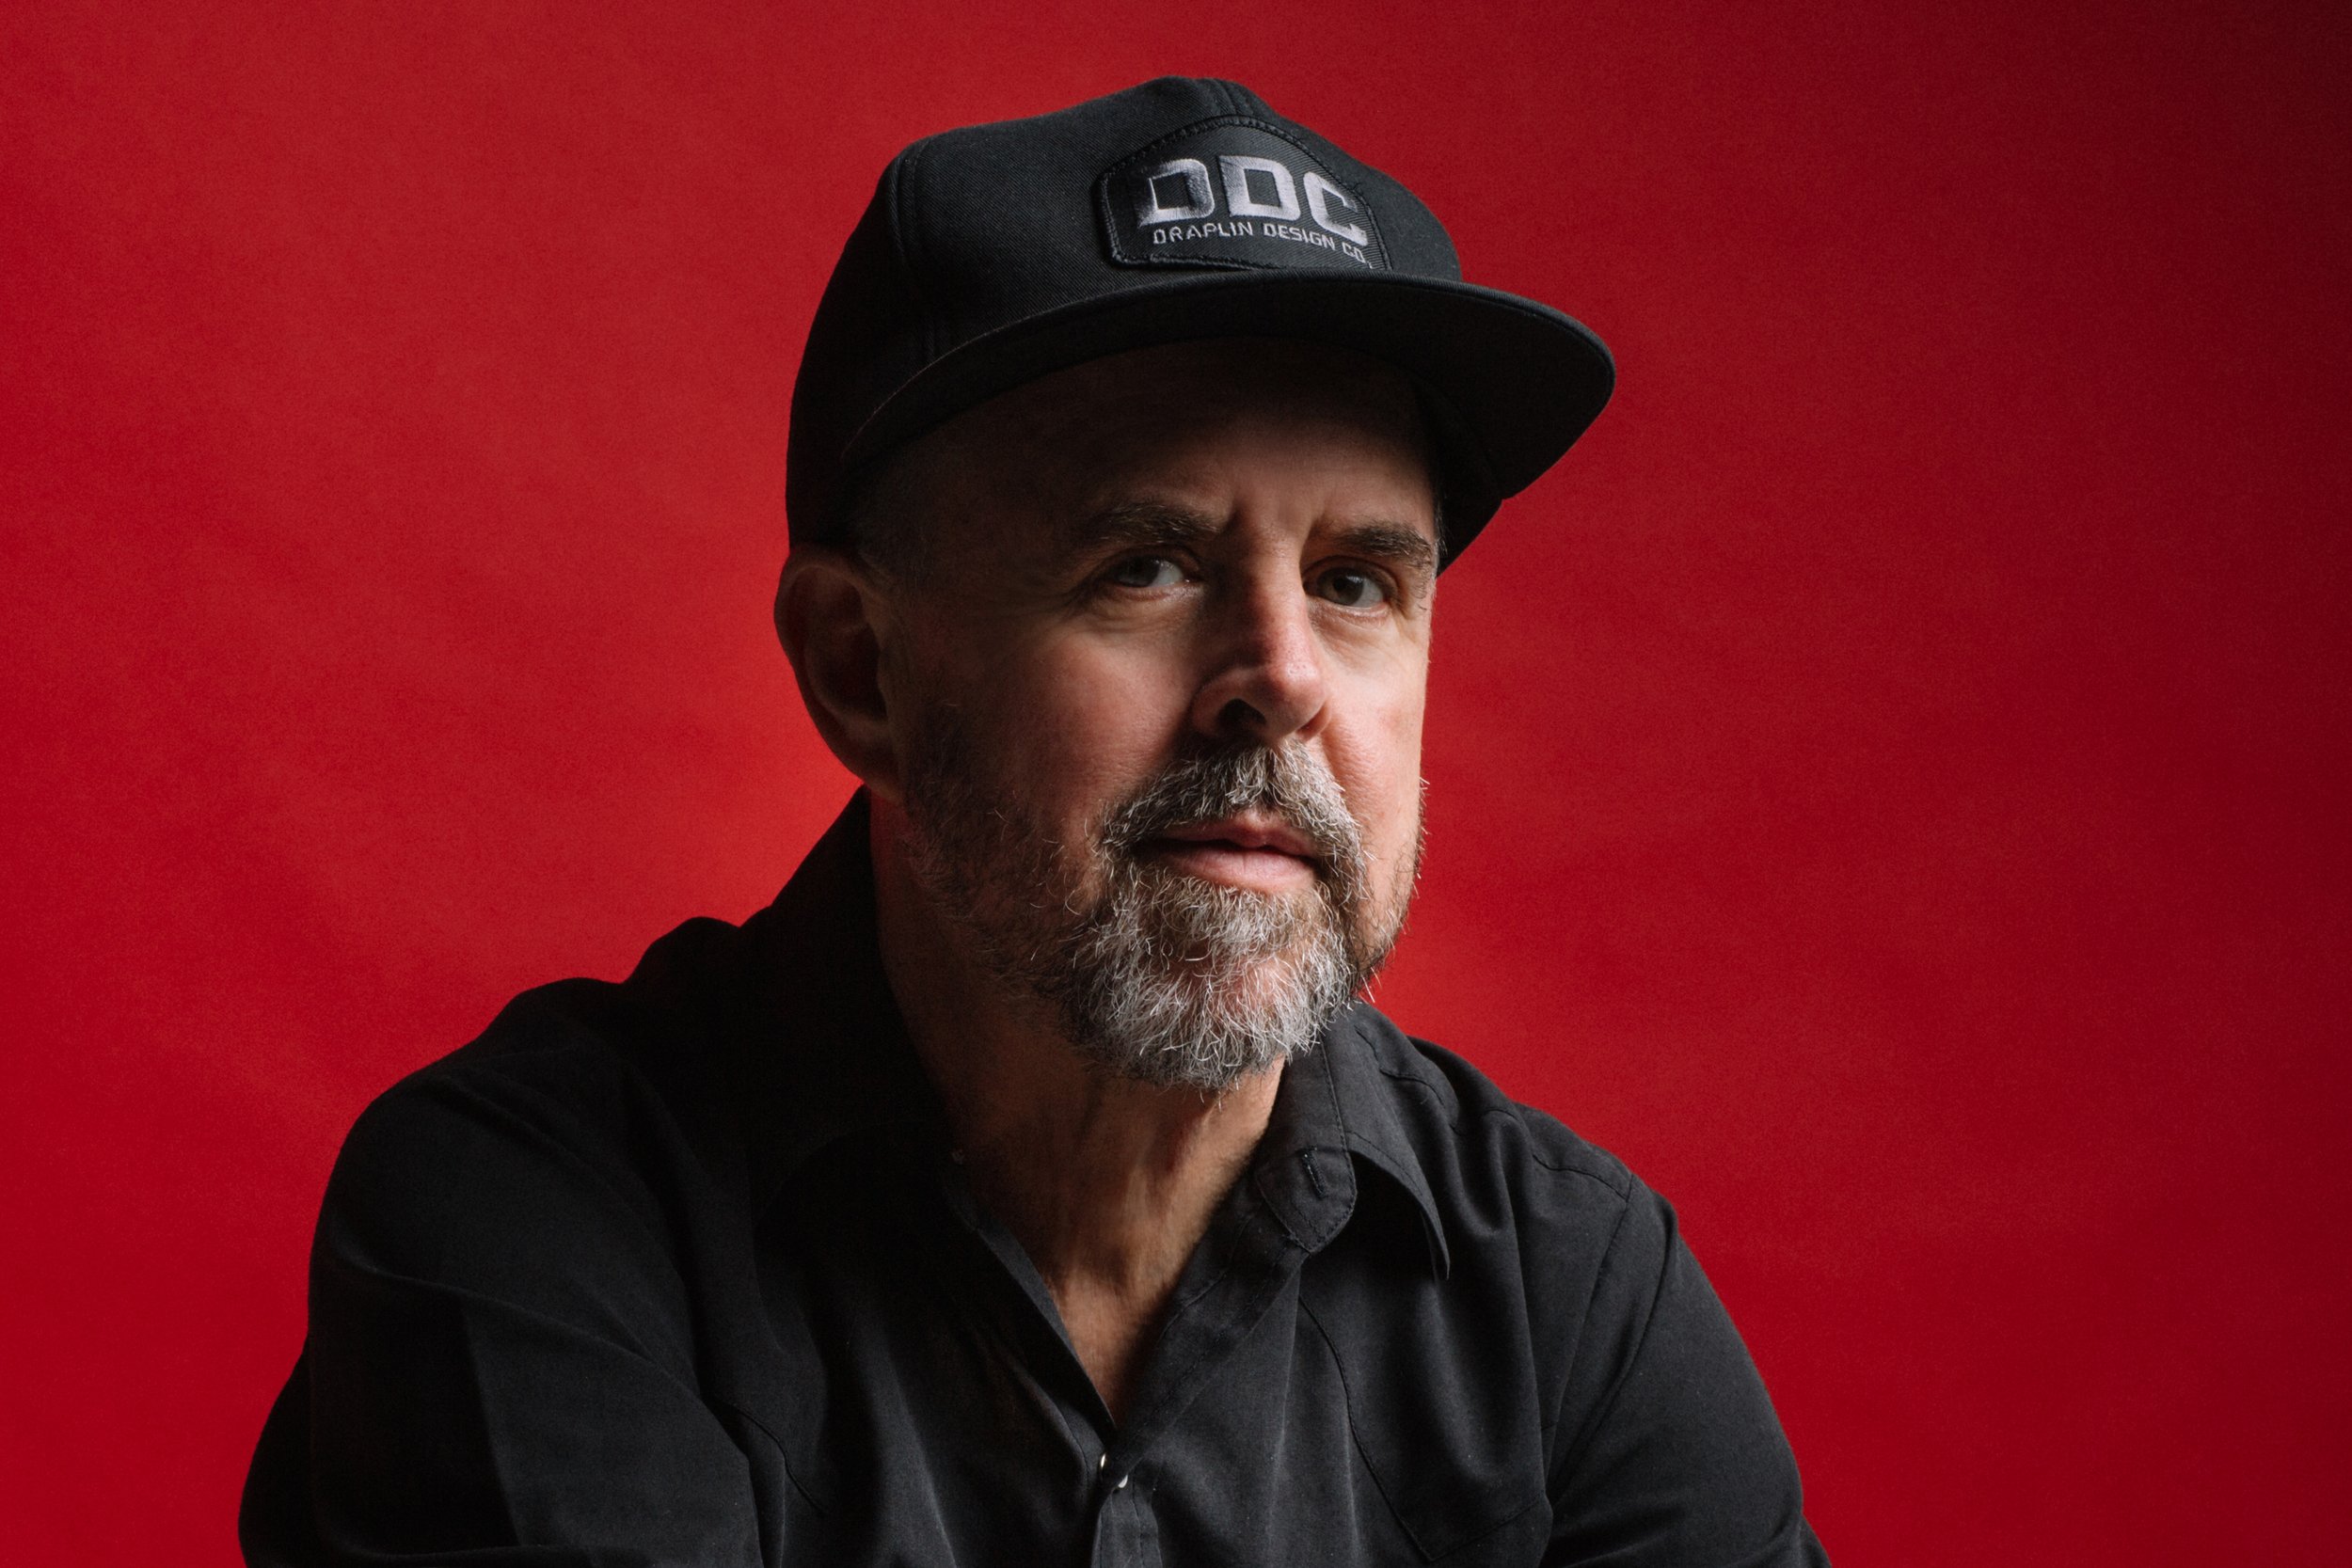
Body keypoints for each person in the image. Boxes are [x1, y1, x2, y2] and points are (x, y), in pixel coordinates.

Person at [242, 76, 1829, 1567]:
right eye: (1147, 566)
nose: (1281, 679)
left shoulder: (1573, 1298)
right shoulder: (537, 1224)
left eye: (1356, 583)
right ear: (862, 671)